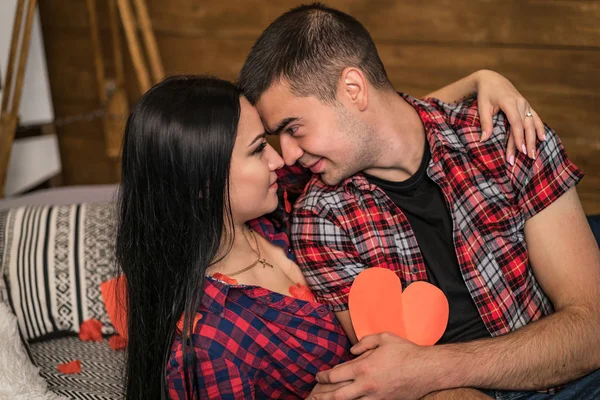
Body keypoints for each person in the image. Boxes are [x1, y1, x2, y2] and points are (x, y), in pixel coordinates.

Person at [237, 3, 600, 400]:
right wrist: (427, 376)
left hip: (575, 375)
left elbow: (592, 327)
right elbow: (397, 379)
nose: (287, 154)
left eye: (293, 128)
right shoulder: (321, 219)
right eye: (276, 137)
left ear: (353, 89)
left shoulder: (503, 135)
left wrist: (428, 368)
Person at [115, 70, 546, 399]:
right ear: (202, 183)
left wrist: (482, 80)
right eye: (256, 149)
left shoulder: (278, 206)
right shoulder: (207, 347)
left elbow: (382, 129)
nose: (279, 158)